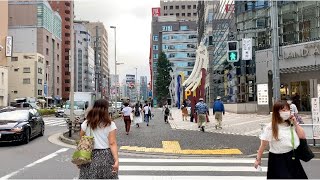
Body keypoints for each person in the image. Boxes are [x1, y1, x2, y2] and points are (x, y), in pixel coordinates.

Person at [254, 100, 307, 179]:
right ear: (277, 112)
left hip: (292, 156)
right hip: (277, 159)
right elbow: (263, 145)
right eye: (283, 110)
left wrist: (295, 123)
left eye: (288, 109)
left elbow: (302, 136)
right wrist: (258, 159)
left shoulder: (291, 123)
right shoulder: (271, 127)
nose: (286, 112)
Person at [79, 99, 119, 179]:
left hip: (88, 155)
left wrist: (80, 158)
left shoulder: (86, 123)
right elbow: (112, 143)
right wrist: (116, 160)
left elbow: (81, 140)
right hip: (106, 156)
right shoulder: (110, 124)